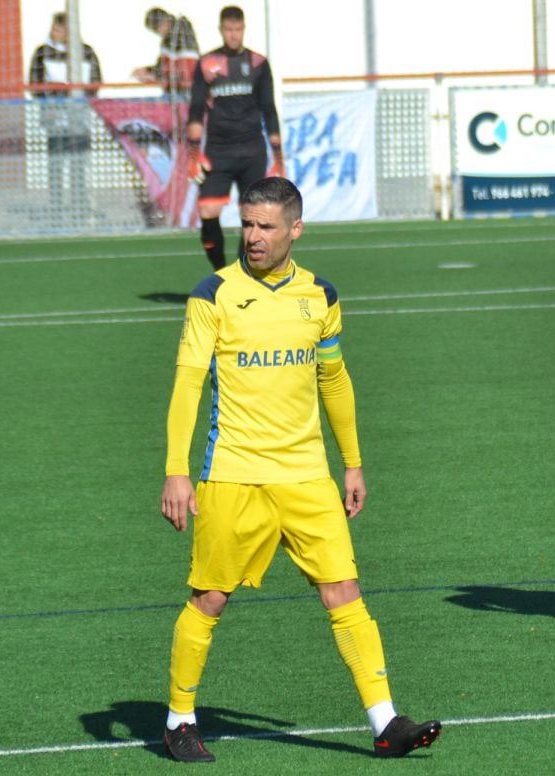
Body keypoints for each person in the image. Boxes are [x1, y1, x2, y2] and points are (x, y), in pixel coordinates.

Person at [158, 176, 442, 763]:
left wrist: (353, 462)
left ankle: (386, 723)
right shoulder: (213, 294)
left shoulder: (321, 296)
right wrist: (176, 470)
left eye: (265, 226)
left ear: (295, 229)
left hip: (308, 476)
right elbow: (188, 382)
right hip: (232, 474)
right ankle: (179, 718)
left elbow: (333, 379)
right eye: (247, 224)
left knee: (344, 592)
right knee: (210, 598)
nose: (253, 237)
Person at [185, 5, 283, 270]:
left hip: (252, 150)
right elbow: (195, 109)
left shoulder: (258, 64)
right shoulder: (206, 64)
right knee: (207, 211)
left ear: (244, 30)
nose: (233, 35)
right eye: (228, 30)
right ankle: (220, 275)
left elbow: (269, 110)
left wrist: (278, 157)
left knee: (252, 219)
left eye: (237, 30)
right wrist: (193, 153)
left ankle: (243, 276)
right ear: (221, 30)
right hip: (218, 151)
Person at [28, 12, 102, 219]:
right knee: (56, 163)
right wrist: (51, 98)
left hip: (79, 116)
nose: (54, 33)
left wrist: (84, 98)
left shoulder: (86, 52)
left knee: (79, 162)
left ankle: (80, 203)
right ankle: (56, 205)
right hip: (54, 117)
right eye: (53, 28)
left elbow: (96, 81)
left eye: (59, 29)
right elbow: (34, 82)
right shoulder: (42, 52)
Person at [131, 7, 200, 96]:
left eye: (156, 29)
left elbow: (184, 71)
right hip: (175, 93)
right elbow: (164, 66)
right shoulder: (168, 40)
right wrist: (148, 70)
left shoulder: (182, 34)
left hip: (186, 94)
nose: (158, 33)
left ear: (165, 22)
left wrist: (154, 76)